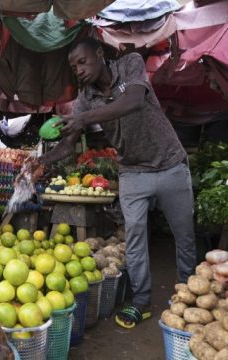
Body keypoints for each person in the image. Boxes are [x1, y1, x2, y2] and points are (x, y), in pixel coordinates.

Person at [38, 37, 196, 328]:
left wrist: (83, 117)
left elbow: (133, 101)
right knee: (134, 236)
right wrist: (39, 163)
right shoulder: (86, 97)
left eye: (82, 62)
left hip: (170, 163)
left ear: (99, 54)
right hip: (133, 171)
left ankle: (189, 295)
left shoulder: (130, 64)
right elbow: (68, 146)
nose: (79, 70)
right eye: (74, 67)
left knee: (184, 235)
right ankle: (141, 302)